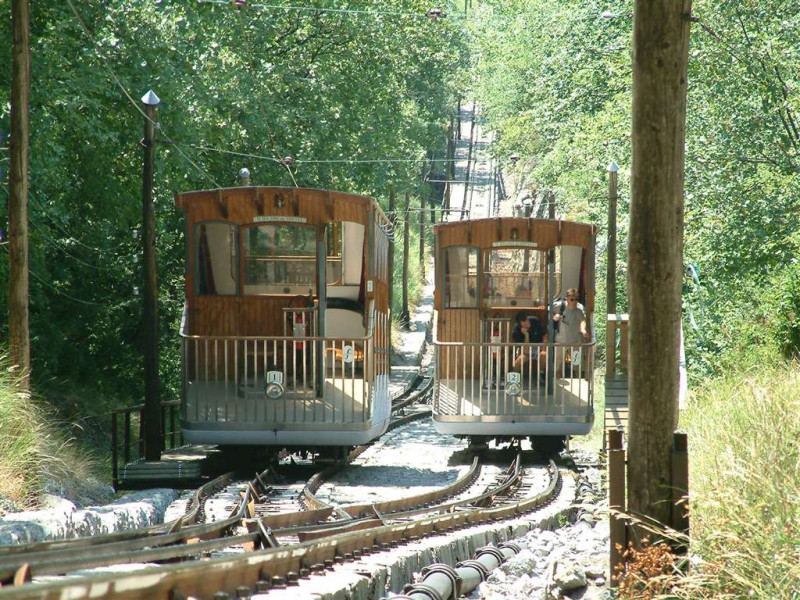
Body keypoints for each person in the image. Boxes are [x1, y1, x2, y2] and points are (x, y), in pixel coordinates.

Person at [552, 288, 590, 376]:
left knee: (577, 365)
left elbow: (582, 321)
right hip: (561, 341)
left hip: (575, 342)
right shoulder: (559, 307)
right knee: (558, 366)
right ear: (567, 298)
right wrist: (555, 316)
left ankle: (578, 381)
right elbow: (551, 313)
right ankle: (557, 383)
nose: (574, 301)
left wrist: (583, 330)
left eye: (576, 299)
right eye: (572, 299)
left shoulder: (579, 310)